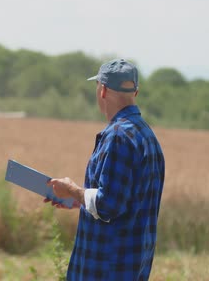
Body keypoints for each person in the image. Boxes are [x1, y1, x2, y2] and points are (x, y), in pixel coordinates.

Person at [45, 59, 165, 280]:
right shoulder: (147, 136)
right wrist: (79, 200)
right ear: (135, 93)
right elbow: (123, 202)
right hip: (131, 265)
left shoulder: (118, 136)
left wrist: (72, 190)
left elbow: (107, 205)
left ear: (103, 90)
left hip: (105, 268)